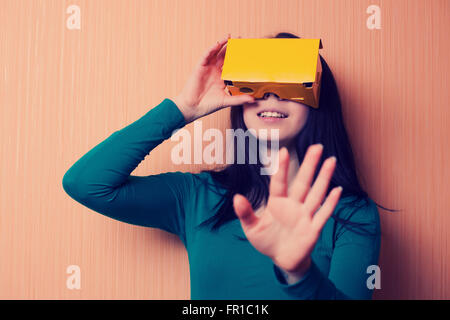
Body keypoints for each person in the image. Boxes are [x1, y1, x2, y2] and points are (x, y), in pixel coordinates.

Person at [62, 32, 382, 300]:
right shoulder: (197, 196)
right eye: (257, 82)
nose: (271, 94)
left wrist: (299, 272)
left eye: (288, 82)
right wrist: (183, 108)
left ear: (318, 97)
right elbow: (86, 184)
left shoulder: (352, 212)